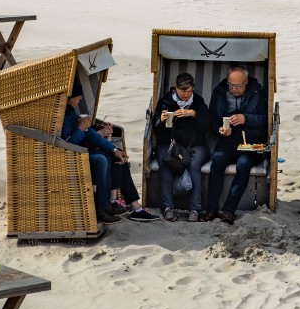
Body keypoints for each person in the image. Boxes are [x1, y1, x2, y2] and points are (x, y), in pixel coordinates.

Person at [62, 81, 159, 223]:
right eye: (78, 96)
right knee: (102, 159)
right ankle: (105, 207)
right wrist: (81, 129)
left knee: (116, 155)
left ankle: (123, 205)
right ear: (71, 98)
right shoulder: (63, 115)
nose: (81, 99)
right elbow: (67, 144)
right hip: (69, 155)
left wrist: (112, 149)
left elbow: (90, 135)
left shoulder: (71, 112)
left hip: (81, 150)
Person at [205, 66, 269, 224]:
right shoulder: (220, 91)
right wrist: (219, 129)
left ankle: (229, 210)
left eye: (238, 86)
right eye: (231, 85)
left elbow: (265, 119)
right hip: (227, 140)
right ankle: (211, 210)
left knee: (244, 164)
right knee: (217, 162)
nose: (234, 89)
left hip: (251, 142)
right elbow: (211, 118)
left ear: (246, 82)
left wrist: (245, 118)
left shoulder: (257, 91)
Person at [152, 72, 213, 222]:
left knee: (194, 165)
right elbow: (156, 129)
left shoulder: (198, 102)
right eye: (183, 91)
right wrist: (161, 120)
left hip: (196, 145)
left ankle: (195, 209)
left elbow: (207, 127)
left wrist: (193, 114)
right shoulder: (166, 101)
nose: (186, 94)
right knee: (165, 162)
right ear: (175, 89)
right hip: (170, 145)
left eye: (189, 91)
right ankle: (167, 207)